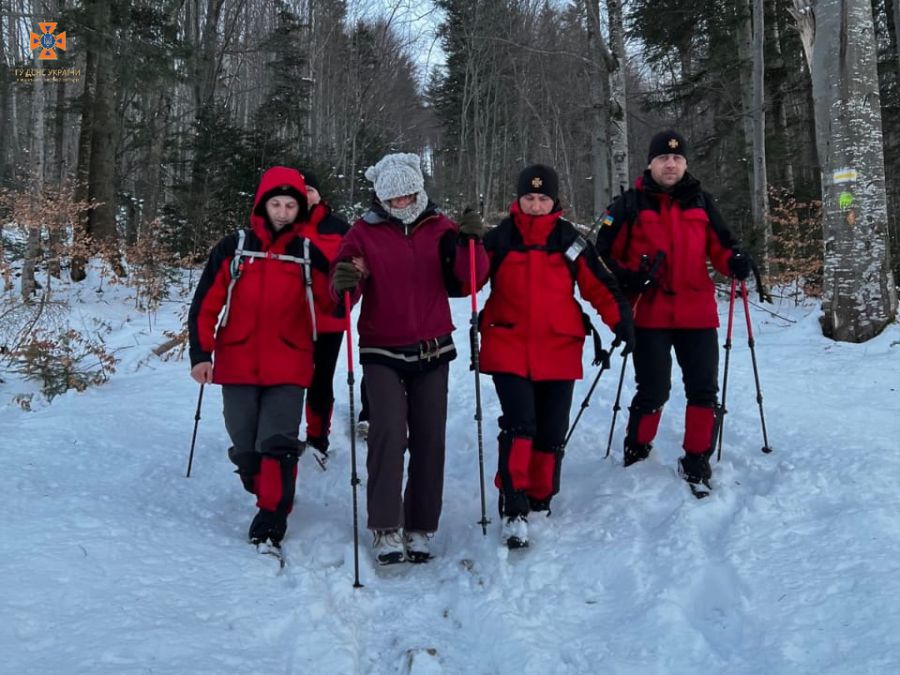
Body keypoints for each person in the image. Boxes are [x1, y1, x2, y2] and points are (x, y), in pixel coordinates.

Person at [330, 152, 489, 565]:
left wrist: (471, 243)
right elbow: (343, 287)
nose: (401, 202)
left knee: (429, 437)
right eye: (392, 197)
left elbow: (468, 280)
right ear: (380, 198)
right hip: (381, 349)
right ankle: (386, 526)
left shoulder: (440, 227)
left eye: (407, 195)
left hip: (433, 347)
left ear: (419, 191)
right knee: (387, 433)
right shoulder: (363, 232)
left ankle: (420, 525)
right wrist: (345, 281)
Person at [478, 164, 634, 549]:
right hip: (507, 344)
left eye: (543, 198)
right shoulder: (499, 238)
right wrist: (463, 246)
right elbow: (468, 279)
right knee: (520, 424)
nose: (535, 205)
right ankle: (513, 504)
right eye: (529, 198)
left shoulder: (569, 240)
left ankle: (540, 496)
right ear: (518, 199)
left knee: (551, 429)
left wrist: (621, 322)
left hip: (559, 347)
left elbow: (599, 285)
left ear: (554, 201)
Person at [595, 130, 753, 497]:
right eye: (664, 158)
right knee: (653, 389)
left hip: (697, 312)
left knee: (704, 389)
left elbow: (722, 247)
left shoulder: (701, 201)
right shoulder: (629, 204)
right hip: (649, 314)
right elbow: (601, 256)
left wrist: (736, 262)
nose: (671, 164)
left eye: (678, 158)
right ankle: (637, 446)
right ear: (650, 162)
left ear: (685, 163)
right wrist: (628, 278)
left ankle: (697, 459)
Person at [188, 166, 334, 547]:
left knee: (278, 443)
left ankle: (272, 517)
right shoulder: (234, 248)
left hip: (289, 363)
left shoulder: (308, 254)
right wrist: (201, 354)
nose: (283, 213)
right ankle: (260, 481)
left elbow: (332, 303)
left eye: (290, 206)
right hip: (237, 361)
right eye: (276, 204)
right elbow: (205, 304)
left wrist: (348, 281)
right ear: (262, 205)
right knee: (246, 444)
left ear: (300, 209)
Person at [296, 170, 350, 467]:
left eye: (310, 190)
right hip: (290, 318)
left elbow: (355, 268)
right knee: (290, 377)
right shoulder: (284, 223)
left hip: (329, 318)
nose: (305, 195)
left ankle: (317, 438)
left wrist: (345, 299)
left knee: (321, 379)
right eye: (299, 189)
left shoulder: (338, 226)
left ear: (319, 194)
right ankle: (281, 434)